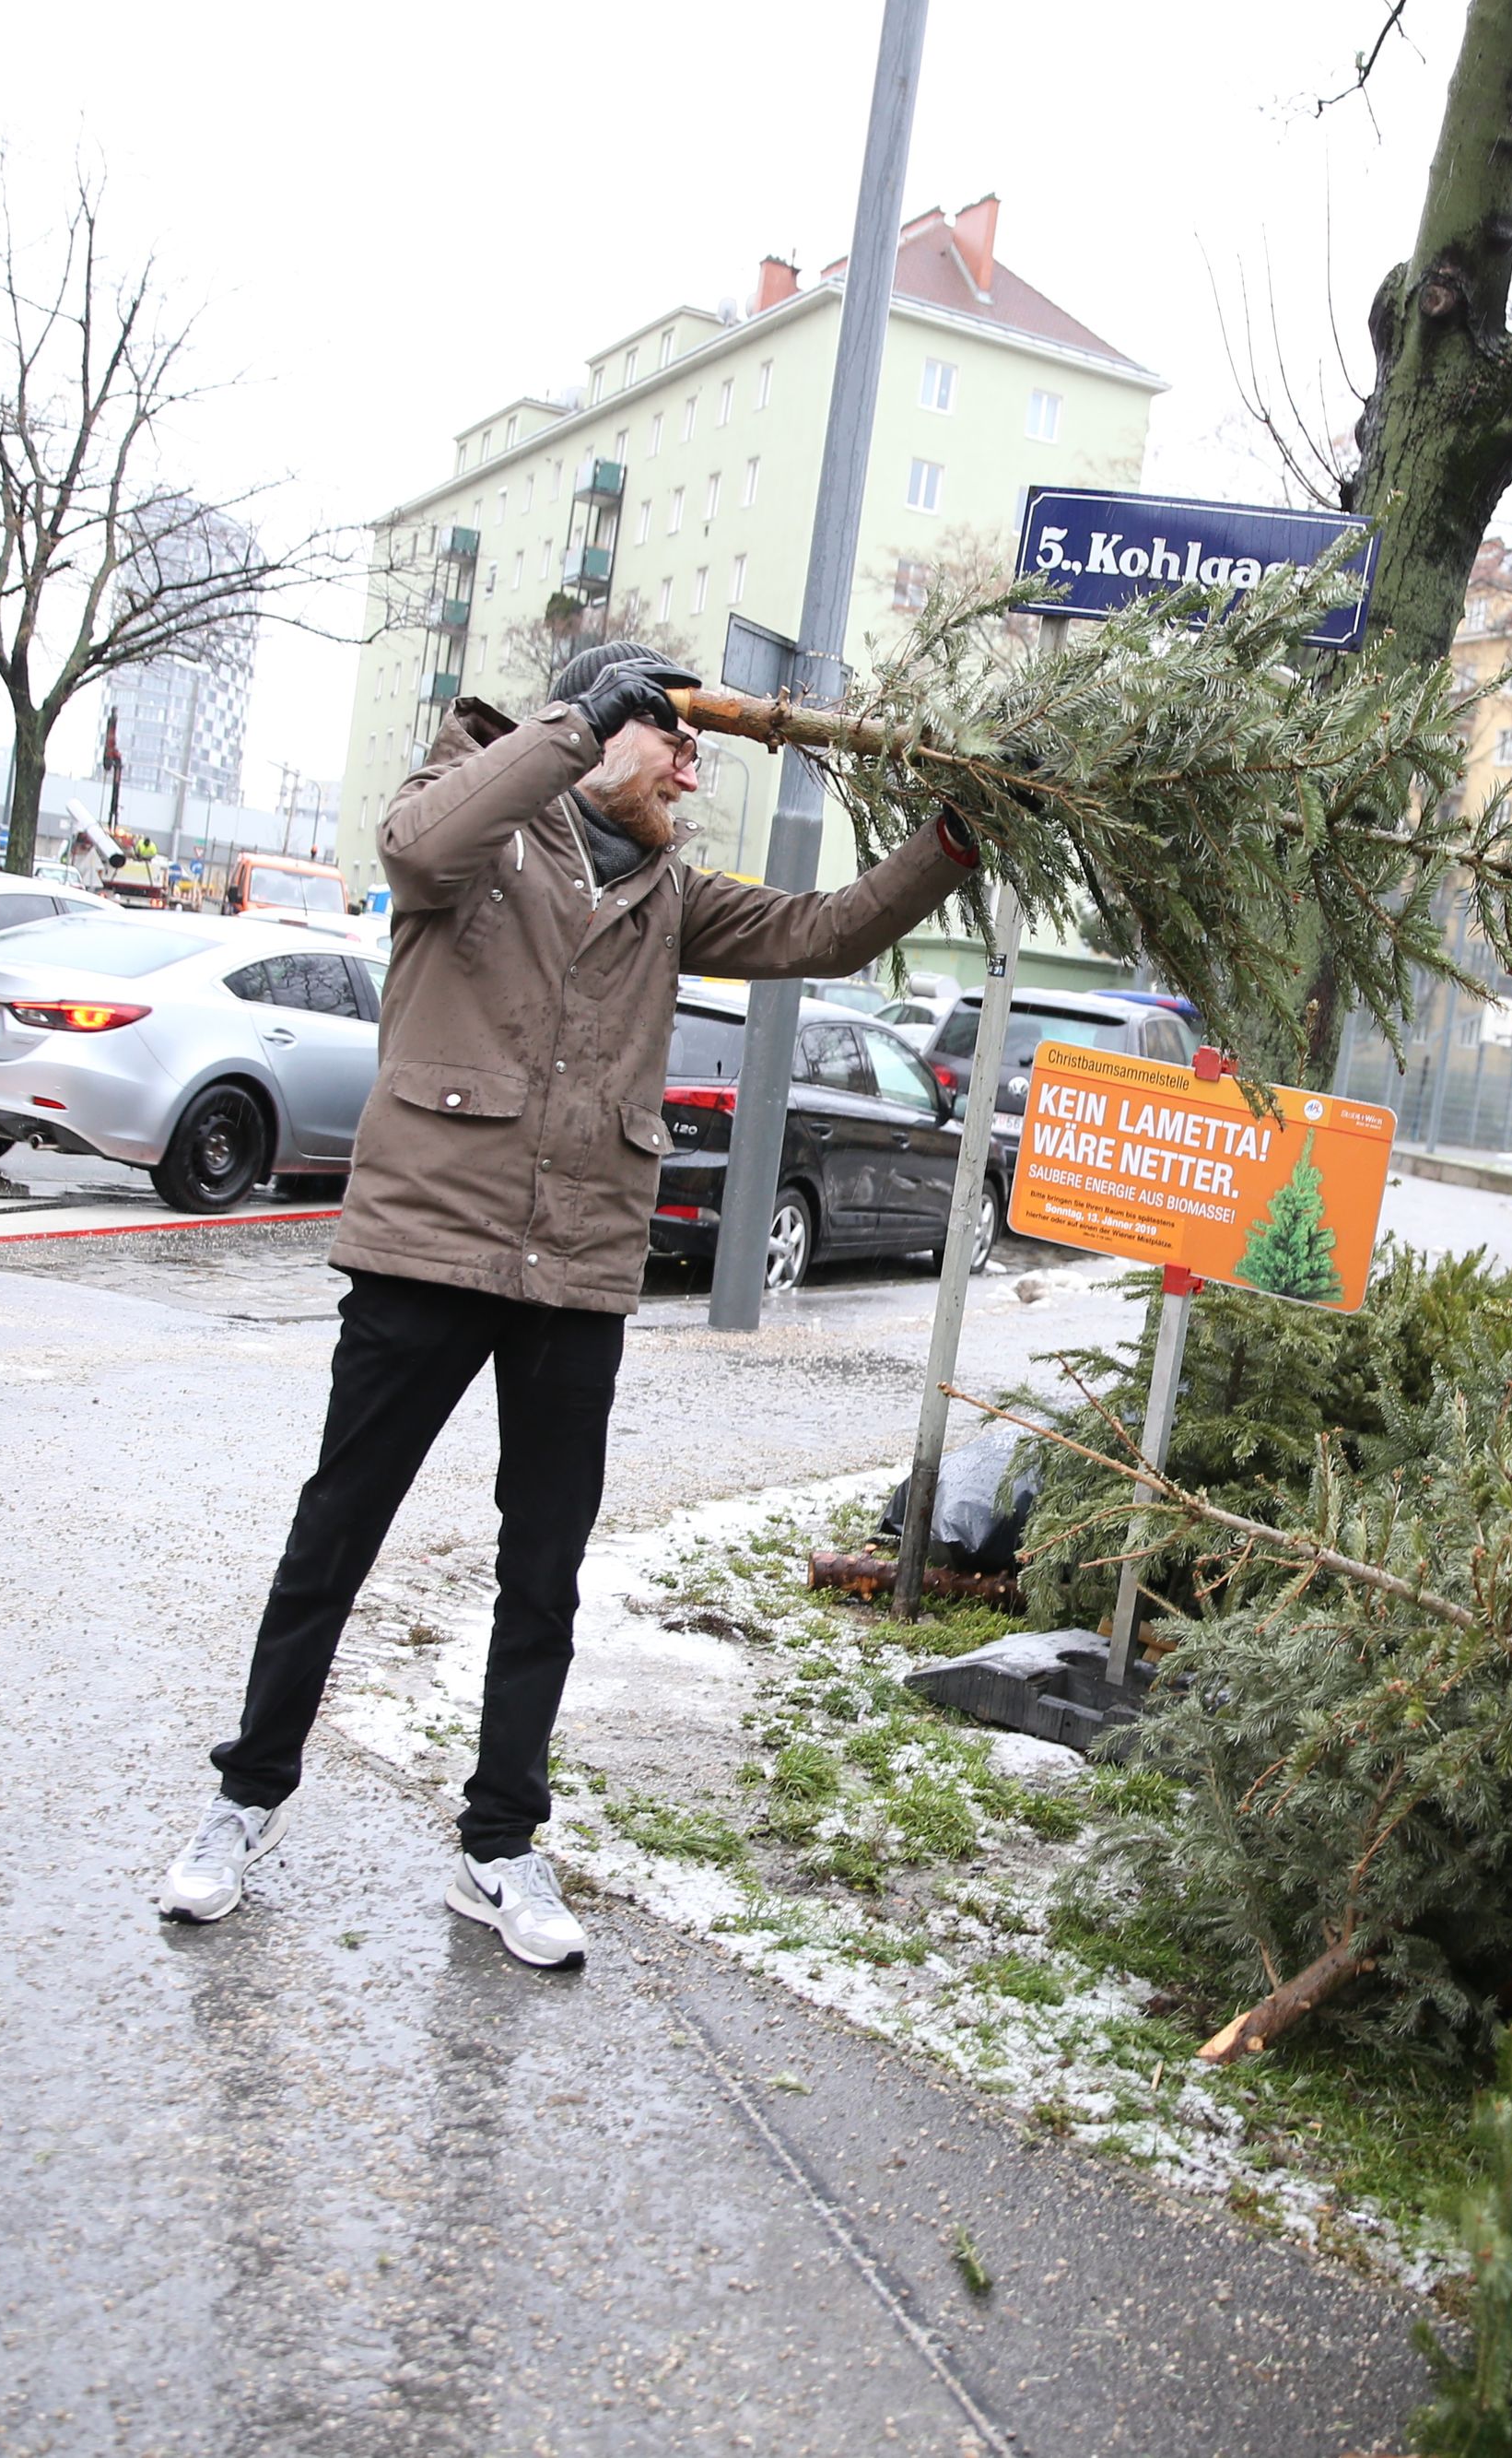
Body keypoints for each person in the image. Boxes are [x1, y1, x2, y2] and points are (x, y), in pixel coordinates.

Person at [152, 641, 979, 1961]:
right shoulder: (473, 811)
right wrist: (574, 724)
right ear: (609, 733)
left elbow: (827, 930)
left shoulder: (671, 895)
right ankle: (243, 1803)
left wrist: (949, 840)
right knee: (336, 1541)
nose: (695, 772)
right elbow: (419, 852)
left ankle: (498, 1848)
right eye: (679, 746)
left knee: (543, 1575)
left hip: (578, 1266)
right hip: (428, 1245)